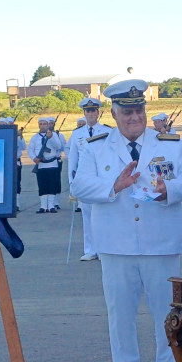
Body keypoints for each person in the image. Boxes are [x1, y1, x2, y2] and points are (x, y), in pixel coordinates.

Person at [72, 79, 182, 362]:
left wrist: (169, 190)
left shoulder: (169, 143)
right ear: (114, 114)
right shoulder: (95, 146)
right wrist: (113, 186)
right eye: (127, 112)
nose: (134, 118)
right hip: (116, 244)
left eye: (139, 110)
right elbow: (78, 187)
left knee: (167, 312)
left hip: (161, 243)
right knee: (120, 312)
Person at [68, 97, 111, 261]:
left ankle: (104, 248)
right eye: (88, 111)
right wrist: (72, 183)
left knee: (103, 215)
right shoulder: (77, 133)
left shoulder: (108, 131)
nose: (91, 114)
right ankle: (90, 249)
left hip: (102, 179)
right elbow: (73, 159)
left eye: (93, 111)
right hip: (85, 179)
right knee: (87, 215)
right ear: (84, 113)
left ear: (98, 113)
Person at [28, 116, 64, 213]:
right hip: (41, 164)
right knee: (42, 185)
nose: (43, 126)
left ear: (48, 125)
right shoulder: (35, 137)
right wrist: (34, 158)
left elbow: (58, 146)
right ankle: (43, 206)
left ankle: (51, 206)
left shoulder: (54, 135)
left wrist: (51, 137)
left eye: (45, 124)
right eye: (41, 124)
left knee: (52, 185)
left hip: (52, 164)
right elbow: (30, 149)